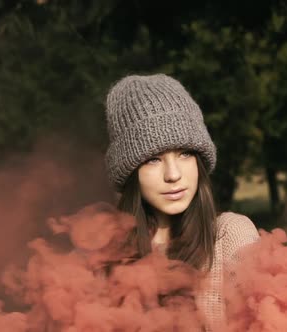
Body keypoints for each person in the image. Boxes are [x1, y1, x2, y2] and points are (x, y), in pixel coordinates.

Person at [103, 74, 260, 330]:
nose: (173, 174)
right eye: (153, 159)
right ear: (131, 174)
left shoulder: (230, 236)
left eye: (185, 153)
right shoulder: (108, 257)